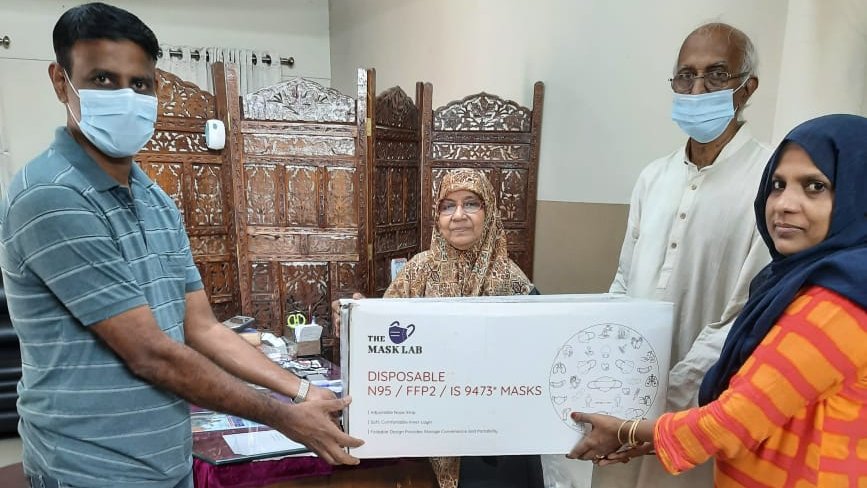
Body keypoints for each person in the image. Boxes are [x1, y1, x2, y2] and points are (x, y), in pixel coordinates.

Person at [0, 4, 362, 487]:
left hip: (167, 457)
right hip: (91, 467)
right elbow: (151, 353)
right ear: (61, 81)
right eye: (103, 79)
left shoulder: (153, 198)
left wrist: (300, 392)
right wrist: (284, 417)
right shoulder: (52, 195)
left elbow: (202, 328)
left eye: (140, 84)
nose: (125, 97)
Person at [570, 113, 867, 486]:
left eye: (814, 187)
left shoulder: (838, 302)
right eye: (777, 185)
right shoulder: (799, 281)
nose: (784, 204)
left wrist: (630, 431)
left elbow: (734, 421)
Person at [600, 22, 773, 488]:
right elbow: (622, 283)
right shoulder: (653, 178)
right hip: (624, 403)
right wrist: (609, 377)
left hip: (701, 407)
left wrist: (667, 400)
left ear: (746, 87)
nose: (697, 90)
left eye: (716, 75)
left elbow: (744, 316)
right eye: (685, 76)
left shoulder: (771, 182)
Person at [333, 169, 540, 488]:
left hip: (491, 446)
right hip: (423, 434)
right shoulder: (419, 271)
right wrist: (356, 319)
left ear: (490, 213)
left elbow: (531, 371)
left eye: (471, 204)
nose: (458, 216)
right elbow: (385, 339)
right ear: (437, 216)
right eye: (447, 206)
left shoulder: (514, 286)